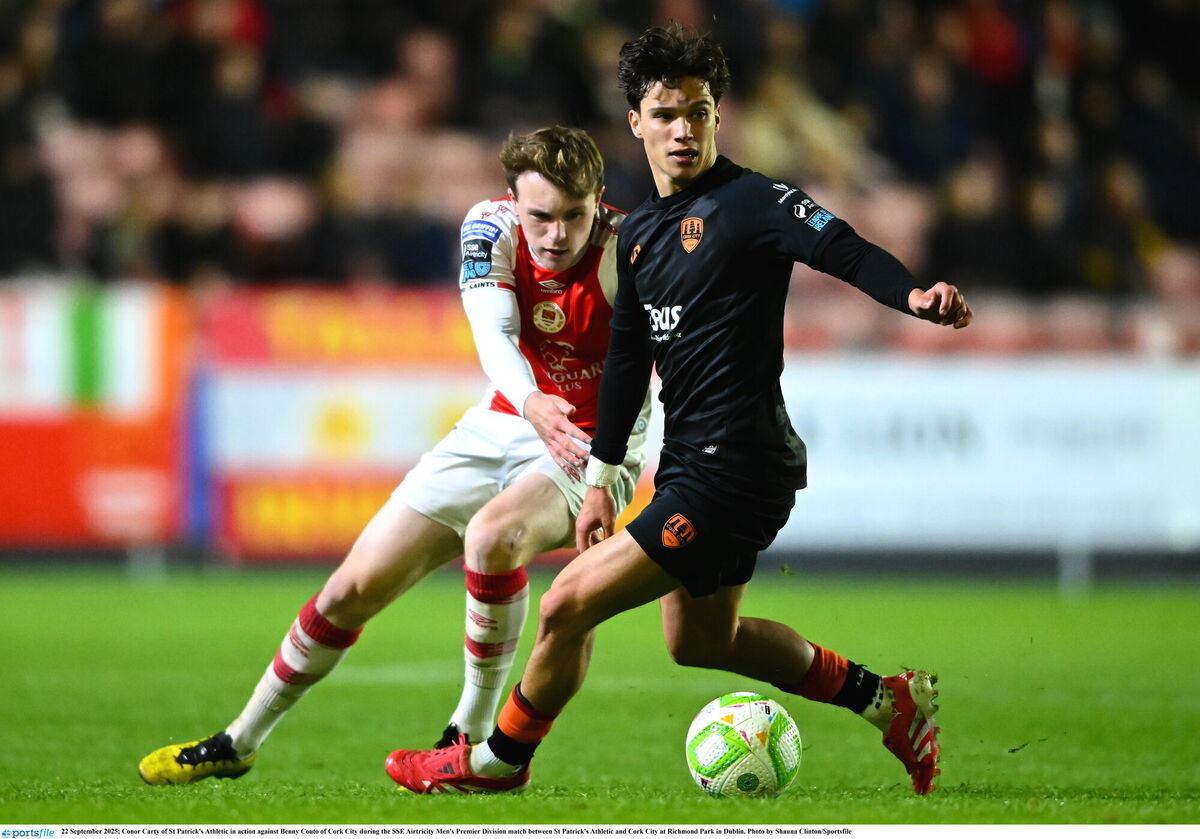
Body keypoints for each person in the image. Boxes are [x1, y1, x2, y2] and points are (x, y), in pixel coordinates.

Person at [383, 23, 972, 797]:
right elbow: (628, 361)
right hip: (690, 462)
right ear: (636, 122)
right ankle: (886, 699)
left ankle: (496, 760)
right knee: (701, 640)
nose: (683, 129)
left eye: (697, 111)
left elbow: (844, 247)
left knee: (565, 605)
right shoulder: (638, 237)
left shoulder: (755, 201)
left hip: (737, 465)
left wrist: (913, 294)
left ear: (716, 115)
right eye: (665, 114)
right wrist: (598, 480)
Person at [137, 126, 650, 784]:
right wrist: (529, 405)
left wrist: (608, 470)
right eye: (541, 216)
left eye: (573, 216)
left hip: (594, 438)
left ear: (599, 202)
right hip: (505, 418)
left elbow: (655, 372)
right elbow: (493, 334)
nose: (555, 234)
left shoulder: (631, 251)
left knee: (494, 537)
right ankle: (240, 738)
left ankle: (466, 735)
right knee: (351, 588)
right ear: (514, 202)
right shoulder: (489, 228)